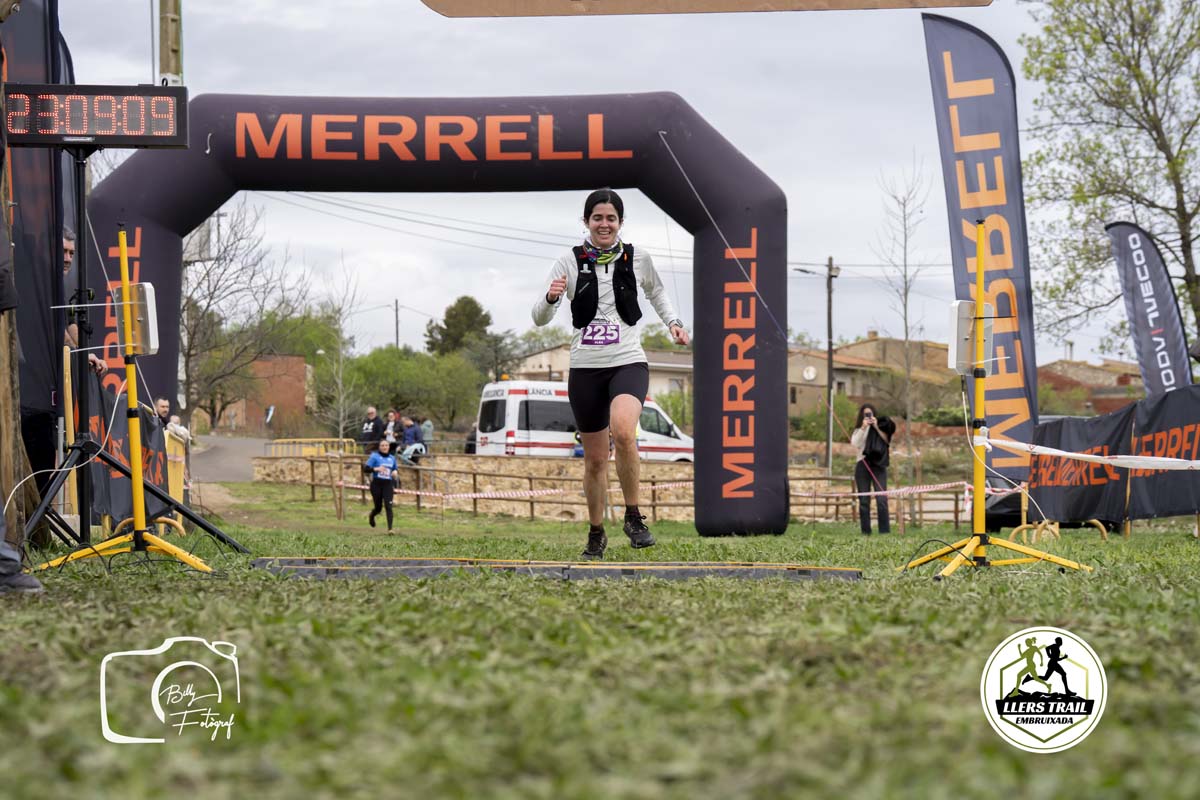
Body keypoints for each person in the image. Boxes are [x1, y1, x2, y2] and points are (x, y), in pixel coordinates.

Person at [532, 188, 689, 560]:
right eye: (597, 218)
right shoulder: (568, 261)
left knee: (623, 431)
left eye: (611, 218)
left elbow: (657, 293)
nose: (604, 224)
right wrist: (552, 298)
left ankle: (634, 517)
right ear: (586, 221)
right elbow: (538, 318)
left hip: (627, 361)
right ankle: (596, 532)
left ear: (620, 222)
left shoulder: (638, 258)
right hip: (585, 368)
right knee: (596, 460)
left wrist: (674, 323)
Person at [62, 227, 107, 377]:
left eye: (71, 253)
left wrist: (86, 353)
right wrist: (81, 356)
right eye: (63, 251)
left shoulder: (61, 284)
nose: (68, 259)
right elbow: (57, 329)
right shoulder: (44, 283)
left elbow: (70, 323)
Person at [850, 403, 894, 535]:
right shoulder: (859, 429)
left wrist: (876, 426)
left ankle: (884, 532)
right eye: (865, 414)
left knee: (881, 499)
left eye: (870, 414)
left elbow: (886, 441)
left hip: (878, 465)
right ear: (862, 416)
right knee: (864, 500)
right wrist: (863, 427)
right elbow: (855, 443)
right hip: (863, 464)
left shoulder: (880, 426)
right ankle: (866, 532)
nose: (868, 416)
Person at [362, 439, 399, 533]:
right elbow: (365, 469)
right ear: (379, 447)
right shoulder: (374, 456)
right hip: (376, 484)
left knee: (388, 506)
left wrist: (395, 472)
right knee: (378, 508)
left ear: (389, 447)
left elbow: (394, 469)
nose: (384, 447)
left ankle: (390, 529)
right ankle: (372, 516)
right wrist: (376, 469)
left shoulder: (392, 458)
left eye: (386, 445)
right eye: (382, 445)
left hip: (388, 484)